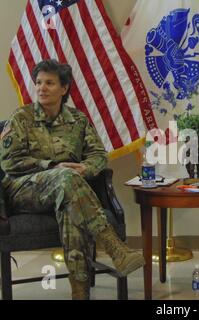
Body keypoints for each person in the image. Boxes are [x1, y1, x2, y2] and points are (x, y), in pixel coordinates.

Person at [0, 59, 145, 300]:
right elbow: (9, 163)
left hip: (67, 189)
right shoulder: (21, 118)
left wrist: (86, 169)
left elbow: (99, 155)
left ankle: (80, 292)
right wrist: (52, 167)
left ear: (64, 88)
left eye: (49, 83)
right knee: (66, 179)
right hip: (23, 190)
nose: (41, 88)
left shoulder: (78, 121)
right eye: (38, 82)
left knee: (70, 203)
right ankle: (112, 245)